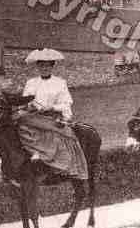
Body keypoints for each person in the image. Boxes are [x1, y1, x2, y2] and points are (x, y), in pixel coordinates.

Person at [16, 48, 88, 180]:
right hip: (33, 116)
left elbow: (66, 103)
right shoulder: (31, 83)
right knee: (19, 128)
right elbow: (24, 102)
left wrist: (52, 107)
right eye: (41, 65)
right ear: (37, 66)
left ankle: (54, 163)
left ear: (52, 66)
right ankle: (30, 156)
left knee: (53, 134)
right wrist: (29, 105)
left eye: (47, 65)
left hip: (52, 117)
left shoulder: (60, 83)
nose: (44, 68)